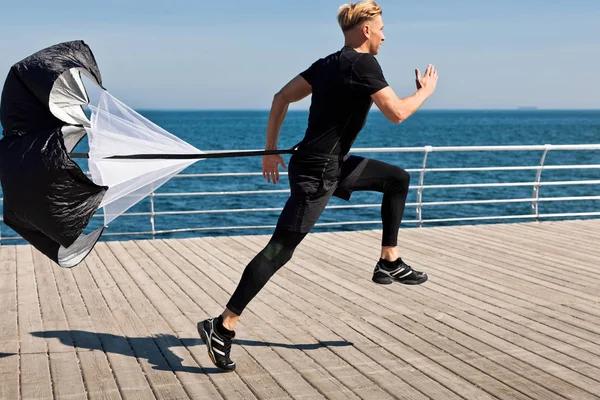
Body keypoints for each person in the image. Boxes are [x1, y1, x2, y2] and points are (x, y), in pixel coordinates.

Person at [199, 0, 438, 372]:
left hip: (328, 164)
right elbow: (398, 113)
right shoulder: (363, 63)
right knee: (279, 250)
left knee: (397, 180)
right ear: (365, 31)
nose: (384, 35)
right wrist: (424, 91)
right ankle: (223, 325)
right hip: (317, 174)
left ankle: (388, 261)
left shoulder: (327, 63)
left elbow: (281, 97)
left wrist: (269, 151)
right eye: (381, 28)